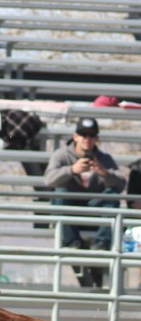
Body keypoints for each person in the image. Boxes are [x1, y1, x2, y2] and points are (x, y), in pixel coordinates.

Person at [43, 117, 126, 288]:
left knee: (111, 195)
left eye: (91, 135)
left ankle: (102, 244)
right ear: (75, 136)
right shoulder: (62, 155)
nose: (87, 139)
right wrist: (72, 170)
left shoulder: (104, 158)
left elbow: (120, 185)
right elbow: (48, 180)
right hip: (70, 209)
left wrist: (103, 173)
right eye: (83, 134)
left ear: (96, 138)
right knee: (60, 193)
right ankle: (72, 243)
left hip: (94, 209)